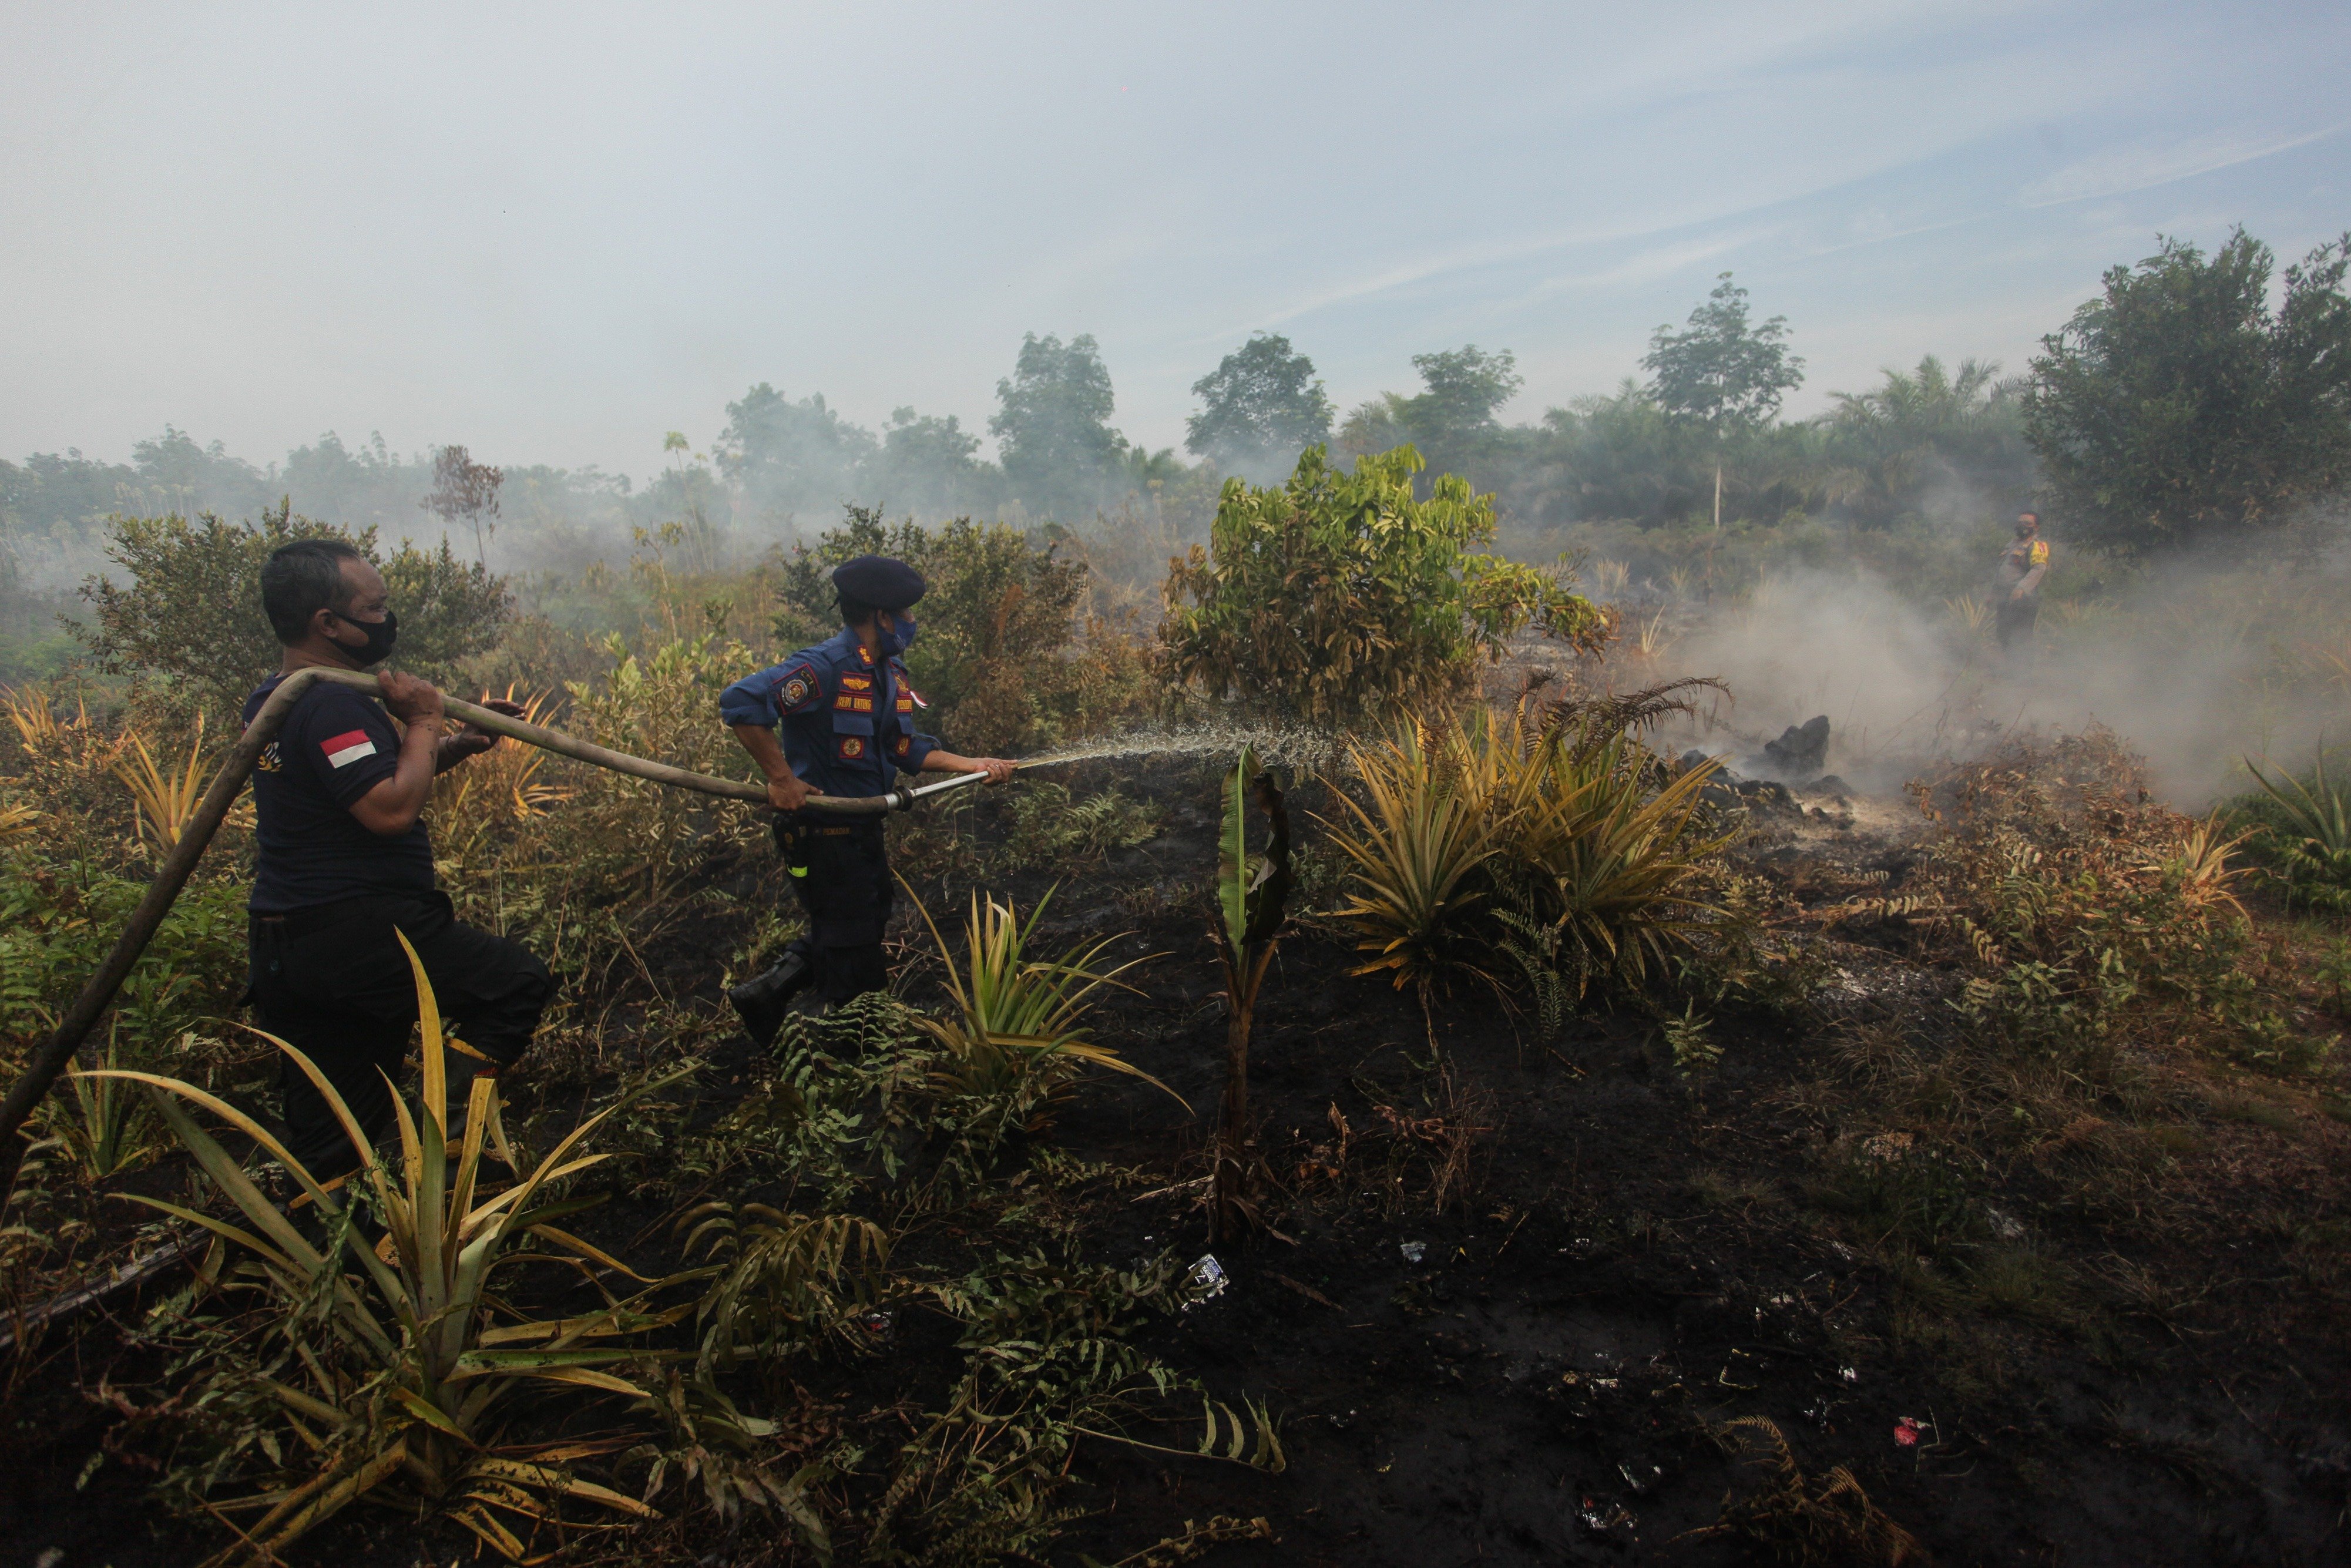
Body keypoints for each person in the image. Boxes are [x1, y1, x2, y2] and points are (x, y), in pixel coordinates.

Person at [244, 539, 553, 1183]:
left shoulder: (280, 697)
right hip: (357, 931)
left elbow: (360, 784)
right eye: (375, 608)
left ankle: (331, 1233)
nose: (387, 620)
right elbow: (387, 809)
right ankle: (445, 1157)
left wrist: (453, 744)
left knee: (336, 1134)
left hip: (289, 945)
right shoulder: (329, 702)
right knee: (515, 985)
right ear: (328, 623)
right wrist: (423, 720)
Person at [720, 554, 1013, 1043]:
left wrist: (972, 764)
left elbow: (903, 747)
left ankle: (767, 994)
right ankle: (855, 1046)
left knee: (864, 919)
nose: (912, 622)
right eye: (907, 613)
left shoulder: (889, 671)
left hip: (863, 826)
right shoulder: (823, 667)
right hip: (823, 832)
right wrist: (782, 778)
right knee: (853, 943)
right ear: (882, 617)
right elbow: (741, 702)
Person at [1994, 508, 2051, 658]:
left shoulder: (2037, 546)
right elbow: (2001, 570)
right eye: (2020, 522)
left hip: (2023, 597)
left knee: (2021, 635)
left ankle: (2023, 668)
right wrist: (1993, 593)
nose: (2022, 526)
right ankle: (2010, 666)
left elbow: (2039, 569)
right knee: (2003, 632)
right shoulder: (2011, 545)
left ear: (2036, 527)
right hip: (2005, 595)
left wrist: (2021, 588)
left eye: (2027, 523)